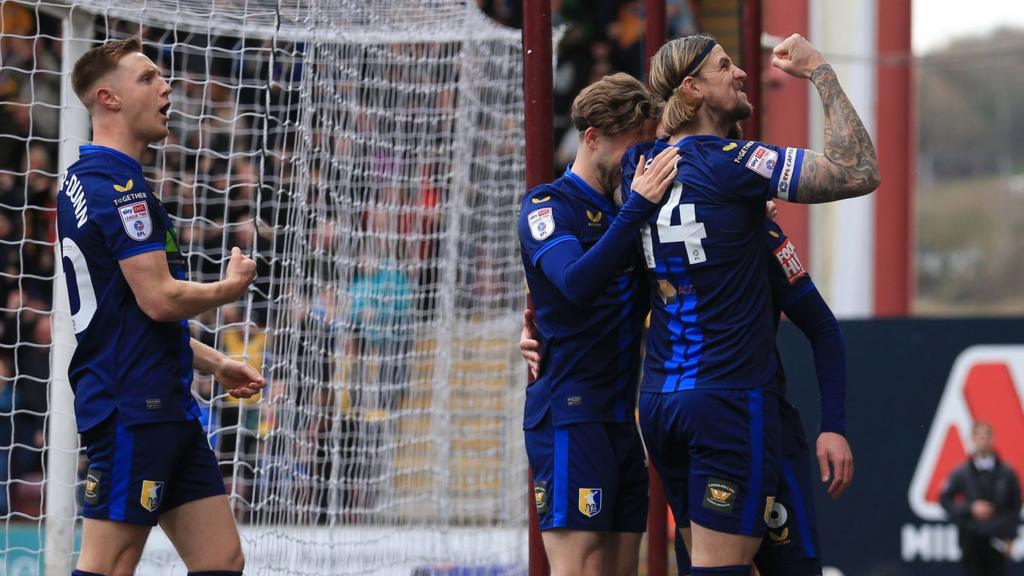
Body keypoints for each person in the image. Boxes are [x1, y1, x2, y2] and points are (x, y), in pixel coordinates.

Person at [624, 33, 879, 575]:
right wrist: (819, 70)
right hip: (728, 400)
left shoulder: (637, 168)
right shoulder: (735, 163)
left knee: (699, 564)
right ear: (692, 88)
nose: (740, 72)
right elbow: (858, 170)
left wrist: (539, 323)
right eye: (724, 66)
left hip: (661, 402)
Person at [521, 211, 854, 576]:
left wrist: (833, 424)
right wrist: (544, 339)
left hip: (759, 423)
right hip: (683, 423)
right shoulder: (651, 239)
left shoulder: (758, 233)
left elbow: (822, 325)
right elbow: (593, 295)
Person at [57, 37, 263, 576]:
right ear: (109, 98)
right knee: (110, 564)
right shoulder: (115, 184)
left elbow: (130, 313)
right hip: (133, 405)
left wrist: (216, 362)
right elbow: (159, 299)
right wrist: (229, 288)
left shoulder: (95, 180)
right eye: (147, 78)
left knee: (221, 559)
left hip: (164, 399)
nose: (166, 86)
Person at [516, 72, 679, 576]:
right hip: (570, 415)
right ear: (591, 138)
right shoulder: (548, 206)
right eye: (630, 150)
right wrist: (636, 209)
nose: (638, 165)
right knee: (580, 568)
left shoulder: (626, 213)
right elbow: (575, 282)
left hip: (620, 420)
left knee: (620, 569)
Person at [940, 421, 1021, 576]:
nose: (983, 440)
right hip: (971, 538)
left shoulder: (1007, 473)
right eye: (979, 436)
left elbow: (1015, 507)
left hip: (997, 538)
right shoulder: (961, 472)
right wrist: (970, 507)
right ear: (972, 439)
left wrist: (1011, 537)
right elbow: (945, 499)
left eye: (986, 436)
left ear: (993, 439)